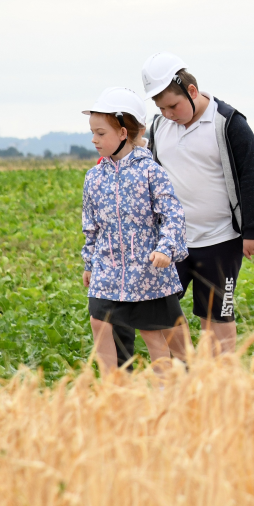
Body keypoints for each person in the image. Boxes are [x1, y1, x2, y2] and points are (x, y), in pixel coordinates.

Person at [140, 54, 254, 355]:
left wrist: (253, 230)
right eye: (161, 108)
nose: (168, 114)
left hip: (220, 239)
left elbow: (251, 175)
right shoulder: (159, 128)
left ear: (192, 91)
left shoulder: (228, 122)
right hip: (173, 242)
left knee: (216, 315)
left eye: (173, 106)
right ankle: (183, 370)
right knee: (159, 307)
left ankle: (220, 383)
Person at [80, 88, 189, 373]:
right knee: (99, 323)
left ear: (123, 133)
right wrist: (90, 262)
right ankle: (114, 394)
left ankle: (168, 394)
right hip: (108, 270)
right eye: (92, 132)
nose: (94, 140)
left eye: (101, 133)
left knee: (154, 334)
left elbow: (173, 215)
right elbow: (91, 226)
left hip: (147, 271)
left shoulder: (150, 171)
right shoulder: (93, 177)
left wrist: (165, 249)